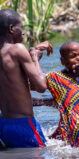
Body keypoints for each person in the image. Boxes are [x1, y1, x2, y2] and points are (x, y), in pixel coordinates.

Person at [0, 9, 53, 148]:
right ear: (12, 29)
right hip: (23, 124)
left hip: (4, 125)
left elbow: (14, 85)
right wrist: (34, 57)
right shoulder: (17, 49)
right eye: (21, 28)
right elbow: (41, 86)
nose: (23, 32)